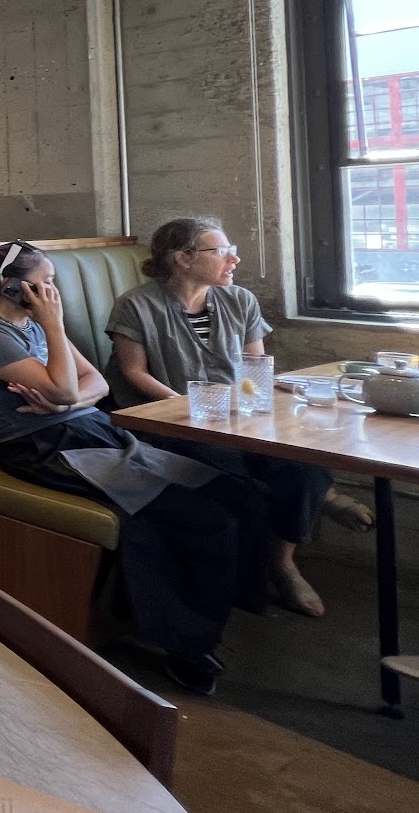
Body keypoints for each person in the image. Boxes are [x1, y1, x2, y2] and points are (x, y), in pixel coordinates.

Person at [0, 239, 268, 695]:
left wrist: (62, 400)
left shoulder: (37, 325)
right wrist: (60, 374)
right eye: (45, 283)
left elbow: (96, 384)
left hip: (90, 429)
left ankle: (219, 605)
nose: (53, 293)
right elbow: (67, 388)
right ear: (12, 286)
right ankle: (186, 647)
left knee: (237, 492)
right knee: (201, 518)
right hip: (44, 448)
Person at [106, 217, 369, 617]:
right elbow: (134, 372)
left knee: (305, 466)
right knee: (243, 478)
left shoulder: (240, 300)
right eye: (222, 251)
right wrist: (184, 405)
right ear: (183, 258)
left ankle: (283, 564)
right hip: (172, 424)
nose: (235, 258)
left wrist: (261, 409)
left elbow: (253, 366)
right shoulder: (136, 305)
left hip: (237, 417)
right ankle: (312, 512)